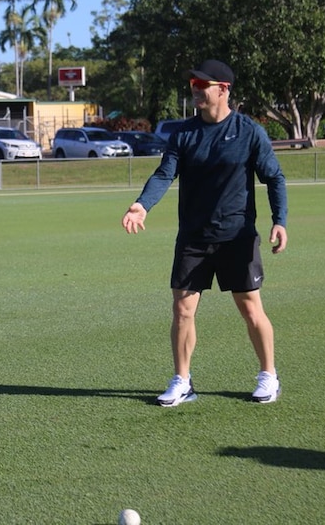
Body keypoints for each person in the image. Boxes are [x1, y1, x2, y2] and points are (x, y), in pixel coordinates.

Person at [121, 59, 288, 407]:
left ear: (223, 89)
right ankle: (182, 381)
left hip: (236, 236)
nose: (195, 88)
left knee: (250, 308)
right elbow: (165, 174)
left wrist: (279, 219)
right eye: (193, 83)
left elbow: (274, 177)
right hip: (194, 237)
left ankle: (268, 376)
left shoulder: (249, 131)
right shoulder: (184, 133)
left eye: (202, 83)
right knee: (182, 309)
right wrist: (142, 205)